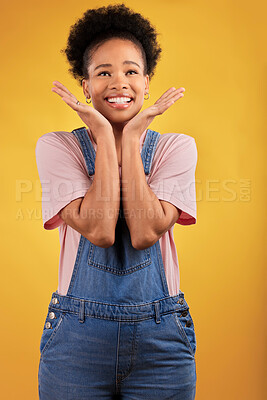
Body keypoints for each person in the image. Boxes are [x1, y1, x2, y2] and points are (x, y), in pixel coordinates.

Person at [36, 3, 198, 399]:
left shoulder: (176, 148)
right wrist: (107, 136)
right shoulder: (58, 147)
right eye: (103, 73)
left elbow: (144, 232)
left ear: (147, 81)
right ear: (86, 86)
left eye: (130, 71)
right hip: (77, 338)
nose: (118, 82)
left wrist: (130, 137)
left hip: (162, 341)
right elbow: (100, 229)